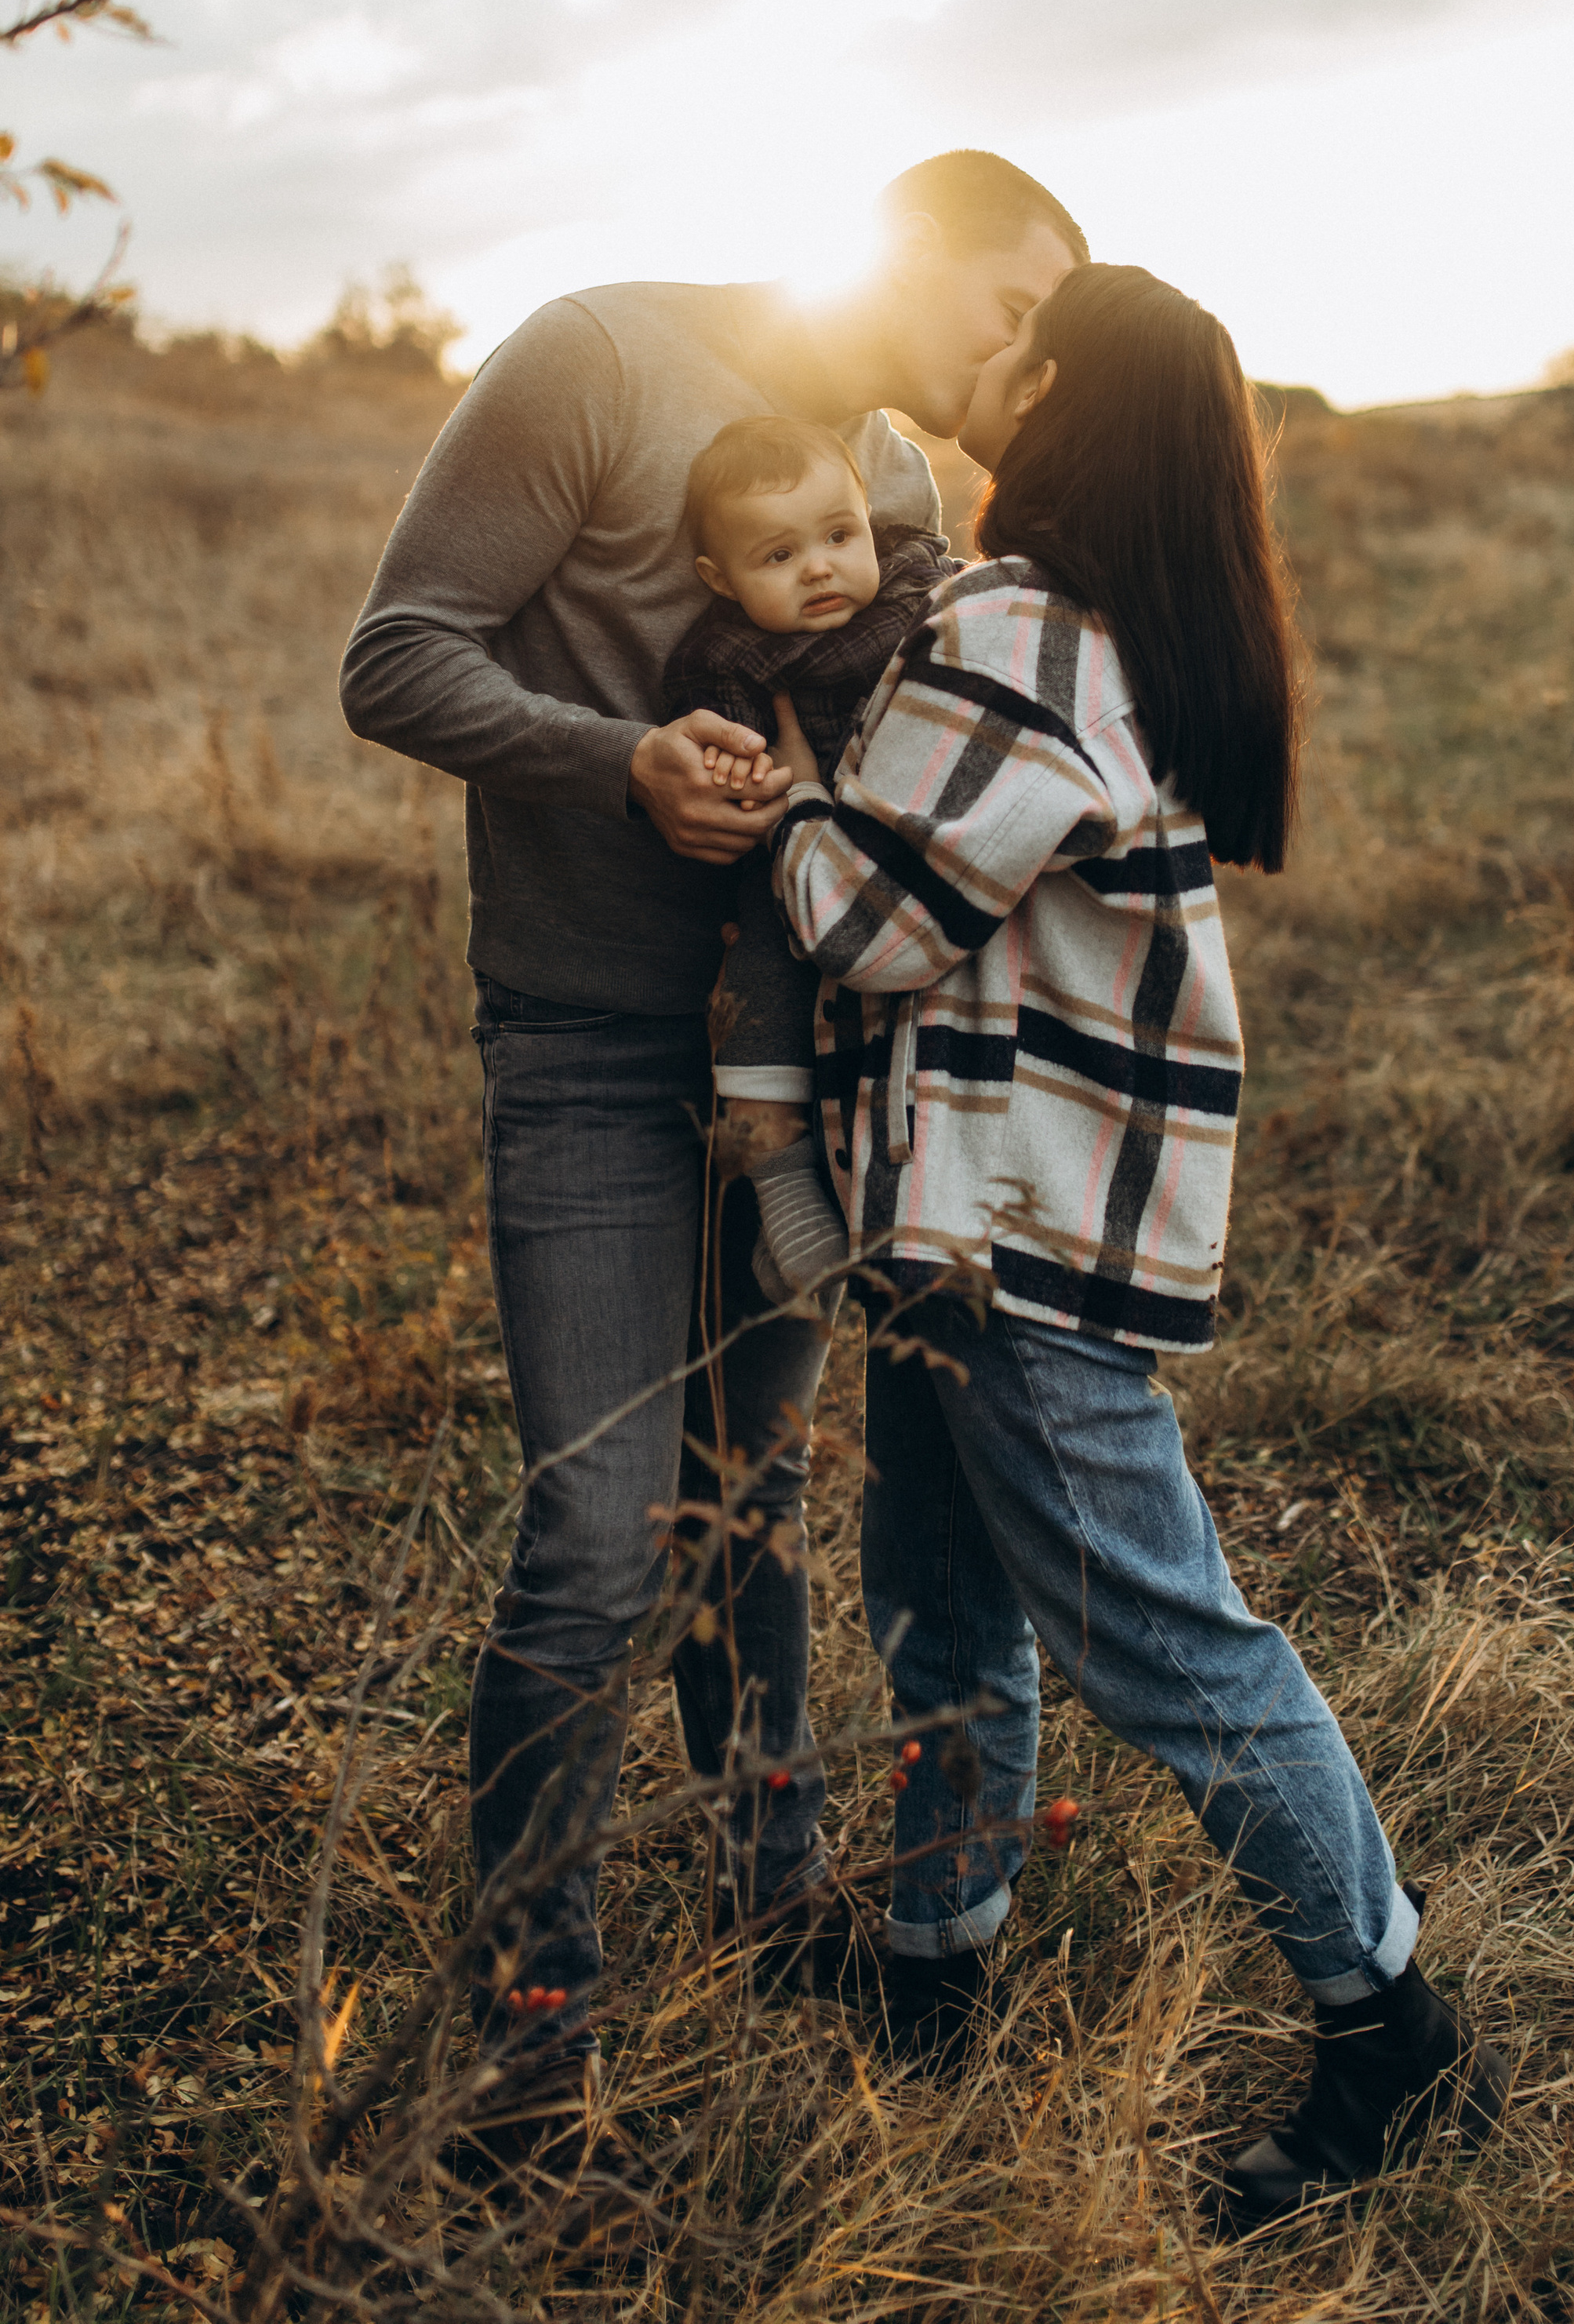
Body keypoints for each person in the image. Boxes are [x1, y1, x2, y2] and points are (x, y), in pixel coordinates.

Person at [336, 151, 1085, 2112]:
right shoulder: (590, 360)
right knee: (596, 1528)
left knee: (749, 1494)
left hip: (801, 1074)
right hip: (585, 1044)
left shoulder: (888, 486)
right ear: (905, 249)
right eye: (1004, 306)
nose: (1015, 356)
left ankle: (779, 1886)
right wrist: (619, 760)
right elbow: (394, 653)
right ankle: (528, 2031)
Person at [765, 264, 1506, 2227]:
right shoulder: (1111, 619)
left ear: (1065, 393)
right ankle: (937, 1961)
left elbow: (865, 920)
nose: (975, 356)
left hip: (1011, 1225)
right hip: (976, 1213)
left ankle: (1386, 2023)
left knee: (1164, 1638)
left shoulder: (1015, 624)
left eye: (1016, 341)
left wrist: (764, 794)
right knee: (936, 1591)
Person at [660, 413, 950, 1304]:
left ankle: (865, 1200)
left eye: (836, 535)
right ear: (720, 579)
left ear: (871, 519)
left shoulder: (927, 597)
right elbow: (730, 759)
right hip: (787, 876)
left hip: (905, 867)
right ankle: (783, 1192)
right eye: (778, 557)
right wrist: (738, 770)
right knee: (757, 992)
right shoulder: (728, 656)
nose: (819, 566)